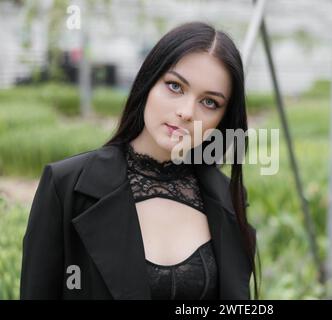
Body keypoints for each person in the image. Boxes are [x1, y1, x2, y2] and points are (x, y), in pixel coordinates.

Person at [20, 21, 259, 300]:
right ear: (148, 82)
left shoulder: (229, 198)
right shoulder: (66, 187)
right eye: (174, 86)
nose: (186, 112)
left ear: (222, 119)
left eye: (209, 103)